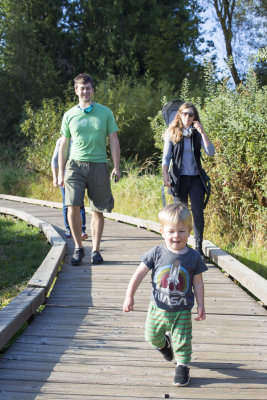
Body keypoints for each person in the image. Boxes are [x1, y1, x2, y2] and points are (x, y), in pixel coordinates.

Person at [123, 202, 207, 387]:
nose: (176, 236)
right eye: (171, 231)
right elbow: (139, 274)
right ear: (162, 231)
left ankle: (183, 366)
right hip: (157, 307)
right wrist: (130, 296)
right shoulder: (157, 253)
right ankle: (164, 345)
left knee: (183, 341)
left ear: (189, 231)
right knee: (151, 336)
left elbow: (198, 281)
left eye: (181, 231)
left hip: (182, 309)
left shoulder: (193, 257)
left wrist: (201, 304)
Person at [58, 73, 120, 266]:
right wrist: (61, 172)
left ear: (93, 90)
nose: (85, 91)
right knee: (72, 205)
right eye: (81, 88)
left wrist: (117, 166)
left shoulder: (105, 113)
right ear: (76, 91)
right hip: (75, 165)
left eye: (88, 88)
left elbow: (113, 139)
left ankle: (95, 250)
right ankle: (78, 248)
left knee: (98, 209)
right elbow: (64, 145)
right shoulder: (69, 115)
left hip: (99, 164)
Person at [162, 102, 215, 258]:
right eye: (184, 113)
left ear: (195, 117)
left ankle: (198, 246)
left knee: (198, 212)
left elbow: (210, 152)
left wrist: (203, 132)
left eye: (191, 114)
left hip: (195, 179)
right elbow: (166, 159)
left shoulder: (197, 133)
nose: (187, 117)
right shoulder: (172, 133)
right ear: (180, 114)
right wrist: (166, 176)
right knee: (179, 214)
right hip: (178, 180)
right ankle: (180, 246)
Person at [51, 137, 88, 240]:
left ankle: (82, 230)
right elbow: (54, 161)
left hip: (78, 177)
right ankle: (68, 228)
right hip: (64, 177)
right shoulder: (61, 141)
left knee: (80, 203)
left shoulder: (80, 140)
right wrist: (55, 177)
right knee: (67, 204)